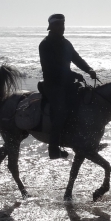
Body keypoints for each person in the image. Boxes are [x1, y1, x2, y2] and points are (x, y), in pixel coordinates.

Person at [39, 13, 97, 159]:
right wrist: (73, 75)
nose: (62, 27)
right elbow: (52, 68)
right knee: (61, 111)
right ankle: (53, 149)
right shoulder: (45, 45)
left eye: (63, 24)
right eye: (58, 25)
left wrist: (88, 69)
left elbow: (76, 58)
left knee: (85, 102)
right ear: (51, 27)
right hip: (53, 84)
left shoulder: (66, 43)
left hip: (67, 82)